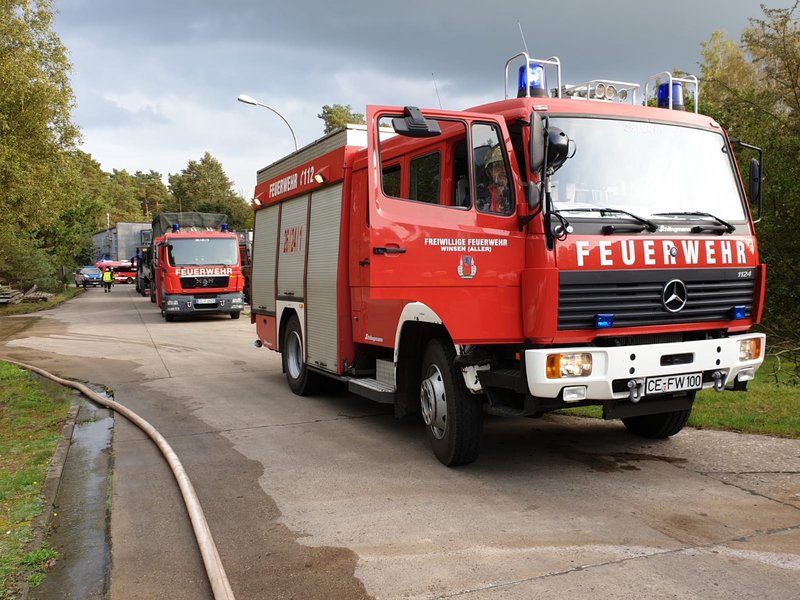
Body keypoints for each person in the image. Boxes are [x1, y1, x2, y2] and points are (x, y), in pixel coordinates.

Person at [480, 145, 511, 214]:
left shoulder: (519, 194)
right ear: (490, 171)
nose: (503, 170)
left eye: (505, 166)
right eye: (498, 166)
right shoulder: (477, 195)